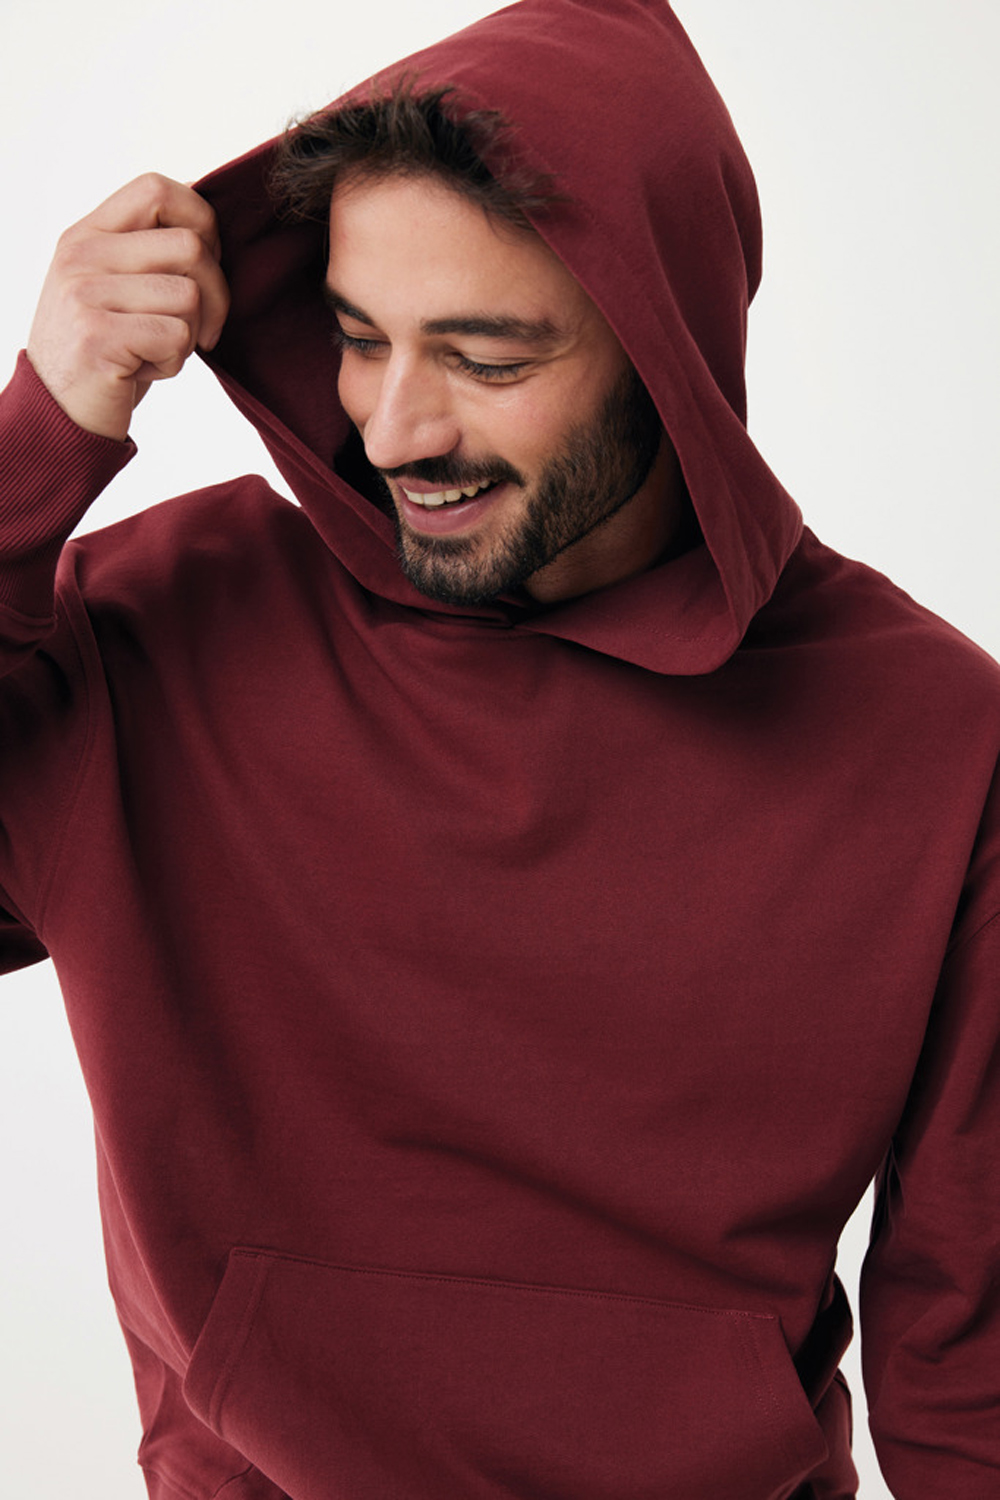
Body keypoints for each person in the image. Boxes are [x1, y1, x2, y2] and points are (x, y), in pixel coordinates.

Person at [2, 0, 997, 1496]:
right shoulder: (163, 624)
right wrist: (35, 444)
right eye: (359, 339)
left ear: (667, 351)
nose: (395, 429)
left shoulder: (935, 736)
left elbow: (973, 1353)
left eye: (486, 358)